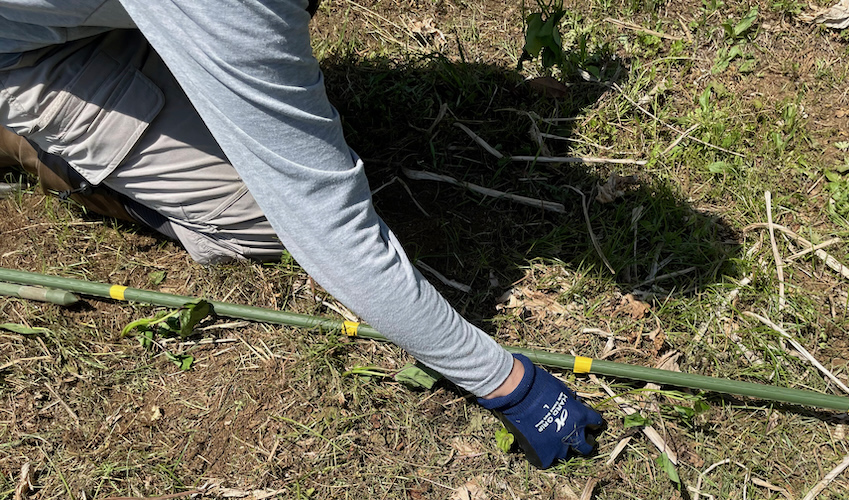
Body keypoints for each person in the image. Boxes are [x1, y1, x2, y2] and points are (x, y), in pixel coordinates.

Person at [0, 0, 604, 468]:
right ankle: (33, 146)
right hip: (22, 55)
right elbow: (329, 226)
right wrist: (506, 384)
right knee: (267, 218)